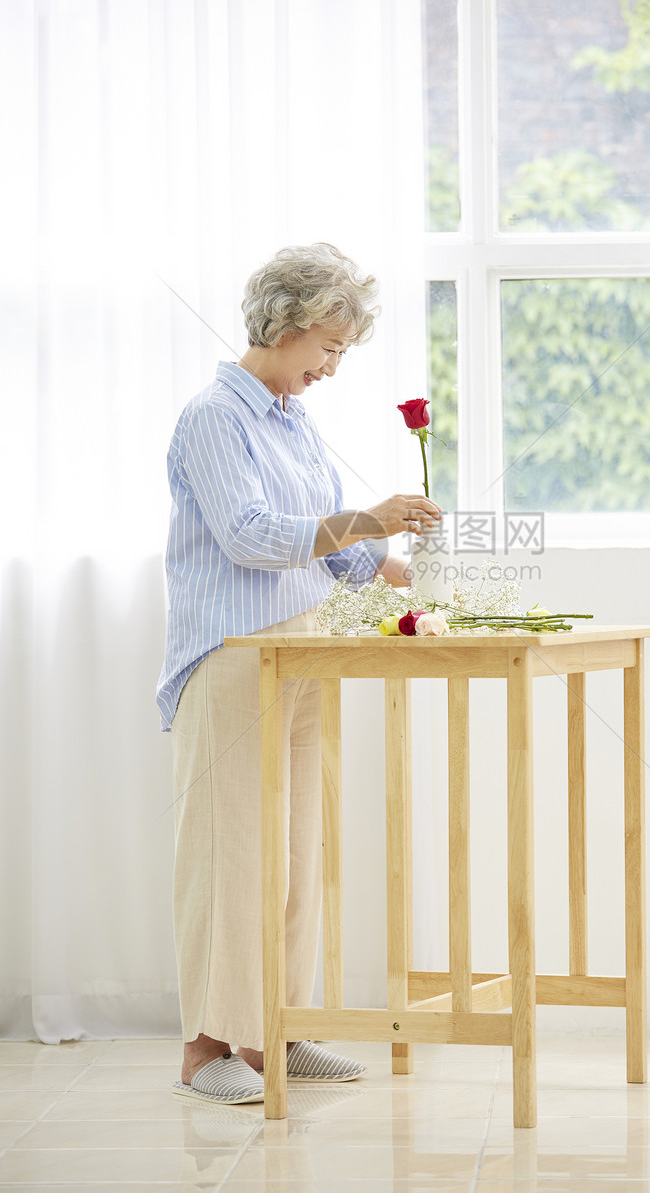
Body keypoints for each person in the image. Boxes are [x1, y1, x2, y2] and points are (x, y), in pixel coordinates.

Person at [156, 243, 440, 1104]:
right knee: (231, 851)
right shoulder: (215, 417)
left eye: (344, 351)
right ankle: (206, 1051)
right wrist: (363, 517)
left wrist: (397, 565)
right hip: (237, 657)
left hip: (303, 649)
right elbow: (249, 536)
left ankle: (278, 1026)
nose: (332, 366)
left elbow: (322, 544)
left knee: (296, 850)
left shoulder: (290, 419)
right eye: (328, 345)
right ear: (283, 324)